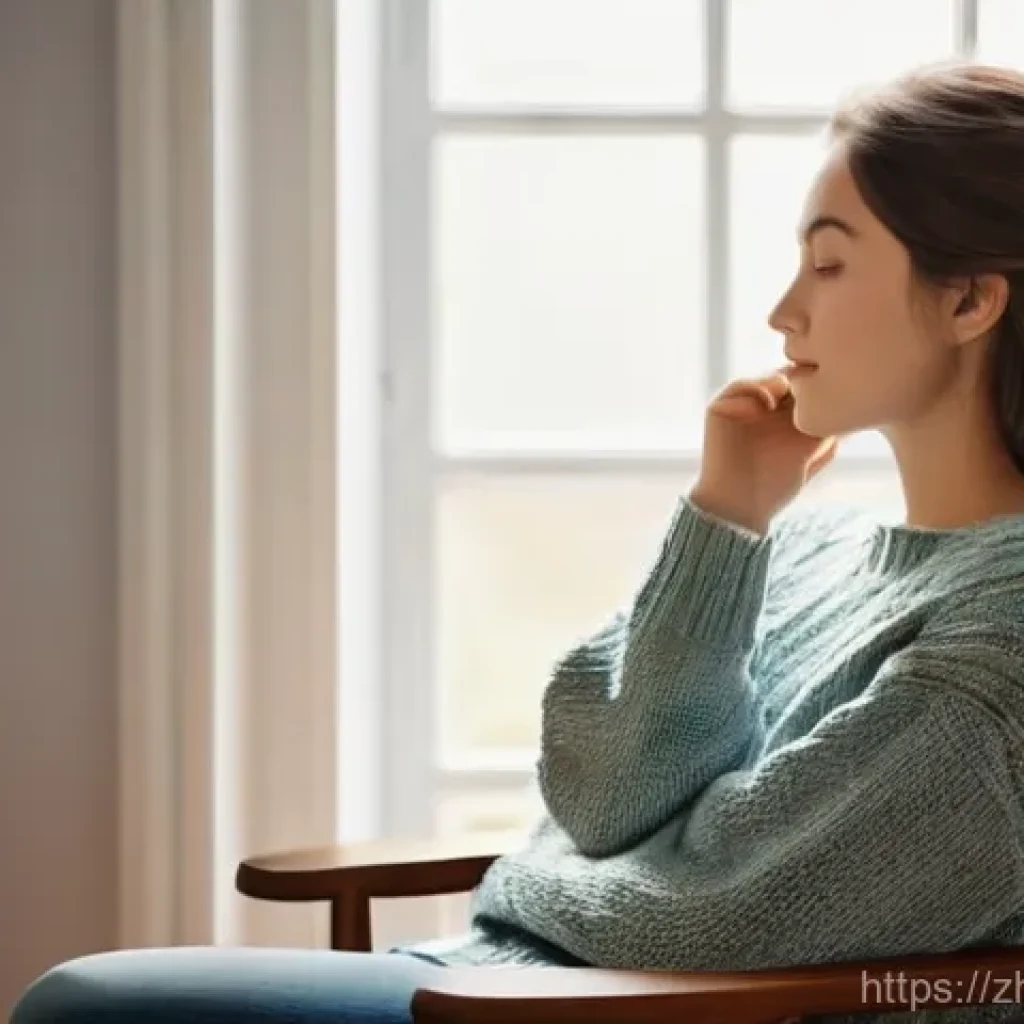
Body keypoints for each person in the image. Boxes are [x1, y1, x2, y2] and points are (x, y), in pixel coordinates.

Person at [13, 60, 1024, 1024]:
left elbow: (721, 915)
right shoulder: (812, 549)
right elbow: (601, 798)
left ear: (969, 299)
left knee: (81, 1004)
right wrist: (726, 517)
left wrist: (532, 880)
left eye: (830, 264)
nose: (784, 311)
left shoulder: (1002, 640)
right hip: (504, 979)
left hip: (557, 1002)